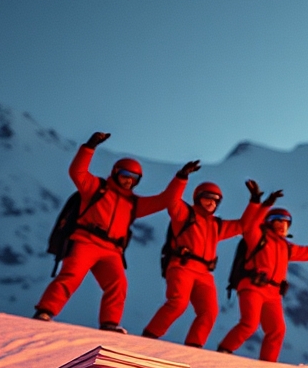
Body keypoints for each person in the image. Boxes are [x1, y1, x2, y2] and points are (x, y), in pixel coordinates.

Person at [33, 131, 199, 332]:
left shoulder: (134, 203)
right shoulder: (96, 188)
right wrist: (89, 147)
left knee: (118, 284)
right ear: (115, 172)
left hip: (112, 251)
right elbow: (77, 172)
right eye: (125, 175)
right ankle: (45, 312)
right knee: (70, 276)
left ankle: (110, 324)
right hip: (85, 241)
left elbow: (165, 200)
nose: (128, 180)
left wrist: (181, 178)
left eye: (134, 177)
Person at [216, 189, 308, 362]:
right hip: (253, 287)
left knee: (277, 330)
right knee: (249, 323)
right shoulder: (257, 238)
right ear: (268, 222)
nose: (282, 225)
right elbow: (250, 225)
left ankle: (267, 365)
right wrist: (265, 204)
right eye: (278, 221)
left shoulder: (286, 247)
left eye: (286, 222)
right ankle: (223, 351)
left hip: (273, 294)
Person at [141, 179, 279, 347]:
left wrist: (256, 202)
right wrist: (181, 178)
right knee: (178, 303)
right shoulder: (185, 215)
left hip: (204, 273)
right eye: (207, 198)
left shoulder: (217, 225)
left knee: (209, 311)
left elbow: (244, 225)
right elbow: (172, 199)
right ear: (198, 198)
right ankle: (149, 336)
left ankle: (194, 346)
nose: (211, 203)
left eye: (216, 200)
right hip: (182, 266)